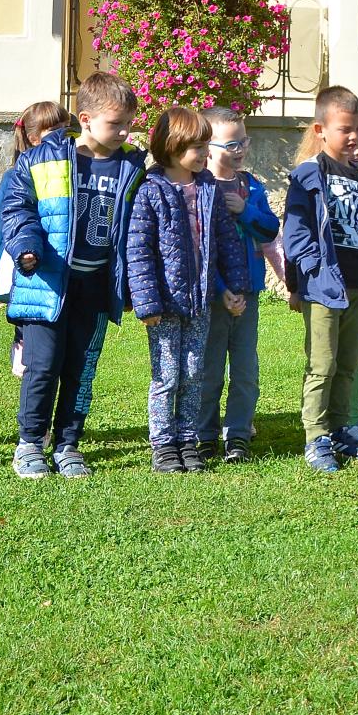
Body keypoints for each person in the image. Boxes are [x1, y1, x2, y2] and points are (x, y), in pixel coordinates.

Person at [0, 72, 147, 481]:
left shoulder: (133, 168)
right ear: (85, 119)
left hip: (96, 286)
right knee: (42, 366)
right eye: (115, 124)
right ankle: (30, 444)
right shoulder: (42, 160)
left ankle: (67, 444)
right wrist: (26, 245)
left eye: (129, 123)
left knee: (81, 370)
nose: (125, 132)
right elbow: (17, 209)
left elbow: (136, 228)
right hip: (46, 283)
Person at [125, 105, 249, 474]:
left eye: (206, 146)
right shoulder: (151, 190)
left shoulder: (207, 187)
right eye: (198, 147)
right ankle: (164, 445)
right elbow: (138, 249)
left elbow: (226, 241)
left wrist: (234, 285)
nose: (205, 153)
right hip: (164, 304)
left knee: (194, 373)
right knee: (167, 376)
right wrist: (147, 303)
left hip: (200, 302)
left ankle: (187, 441)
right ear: (174, 145)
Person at [284, 86, 358, 473]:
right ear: (321, 130)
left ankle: (339, 430)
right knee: (323, 365)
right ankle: (315, 437)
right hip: (323, 287)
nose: (354, 136)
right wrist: (305, 278)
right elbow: (295, 235)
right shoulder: (308, 175)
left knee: (349, 363)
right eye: (345, 129)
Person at [199, 107, 279, 464]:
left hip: (248, 292)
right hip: (214, 295)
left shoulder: (251, 186)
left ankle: (238, 436)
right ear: (208, 147)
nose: (240, 150)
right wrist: (220, 290)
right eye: (232, 144)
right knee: (210, 370)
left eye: (243, 141)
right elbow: (201, 248)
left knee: (246, 371)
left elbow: (270, 228)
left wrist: (245, 210)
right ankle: (204, 435)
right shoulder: (200, 186)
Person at [0, 100, 70, 377]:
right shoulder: (18, 174)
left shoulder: (72, 170)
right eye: (54, 130)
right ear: (34, 138)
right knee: (27, 312)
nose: (63, 136)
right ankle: (22, 351)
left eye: (66, 128)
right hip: (24, 258)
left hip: (56, 261)